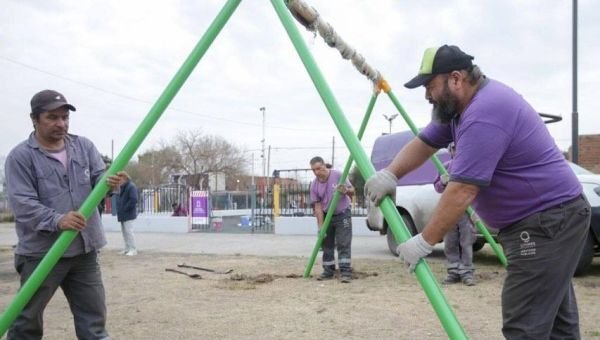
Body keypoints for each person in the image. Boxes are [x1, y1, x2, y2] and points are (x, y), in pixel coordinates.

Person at [364, 45, 590, 338]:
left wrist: (424, 241)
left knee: (524, 326)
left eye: (430, 86)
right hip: (551, 219)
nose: (427, 95)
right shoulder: (460, 111)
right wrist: (390, 173)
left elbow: (463, 189)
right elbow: (425, 142)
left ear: (455, 79)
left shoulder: (485, 112)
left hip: (545, 223)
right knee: (557, 325)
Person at [5, 89, 122, 339]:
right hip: (41, 253)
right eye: (52, 117)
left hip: (84, 250)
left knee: (94, 322)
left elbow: (97, 180)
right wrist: (58, 220)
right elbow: (22, 203)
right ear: (34, 119)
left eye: (65, 117)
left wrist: (110, 183)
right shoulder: (21, 157)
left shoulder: (84, 146)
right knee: (26, 324)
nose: (61, 123)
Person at [309, 156, 355, 283]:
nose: (317, 172)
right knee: (327, 244)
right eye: (314, 170)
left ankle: (345, 272)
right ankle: (328, 271)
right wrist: (321, 227)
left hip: (342, 214)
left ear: (324, 165)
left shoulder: (338, 175)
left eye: (319, 168)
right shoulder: (314, 185)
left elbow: (353, 191)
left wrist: (345, 190)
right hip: (327, 215)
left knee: (343, 243)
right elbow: (317, 207)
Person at [433, 159, 475, 286]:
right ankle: (453, 271)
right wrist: (442, 181)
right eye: (453, 148)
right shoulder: (445, 166)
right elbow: (437, 187)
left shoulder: (470, 164)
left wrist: (476, 210)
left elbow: (478, 187)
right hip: (449, 210)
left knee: (466, 243)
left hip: (466, 209)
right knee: (450, 242)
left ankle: (467, 273)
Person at [115, 172, 138, 256]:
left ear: (125, 178)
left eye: (120, 179)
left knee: (129, 232)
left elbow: (134, 200)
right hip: (123, 214)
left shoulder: (131, 187)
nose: (119, 181)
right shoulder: (121, 188)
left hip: (128, 213)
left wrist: (125, 208)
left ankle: (133, 249)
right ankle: (127, 248)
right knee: (124, 232)